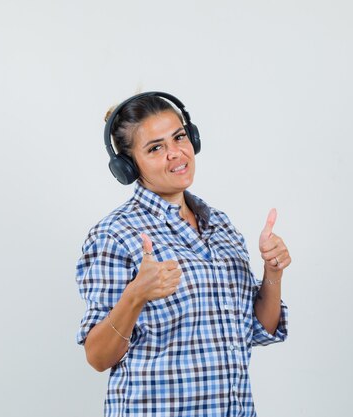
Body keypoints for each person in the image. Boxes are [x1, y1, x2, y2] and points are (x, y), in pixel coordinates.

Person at [76, 92, 291, 417]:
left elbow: (258, 329)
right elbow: (98, 357)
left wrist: (272, 271)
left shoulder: (219, 224)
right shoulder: (115, 235)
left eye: (179, 137)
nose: (175, 153)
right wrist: (135, 295)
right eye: (155, 148)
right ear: (129, 166)